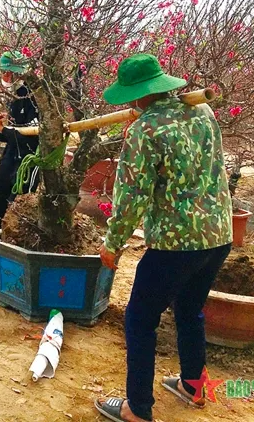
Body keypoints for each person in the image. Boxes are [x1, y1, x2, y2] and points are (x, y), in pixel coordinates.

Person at [94, 54, 233, 422]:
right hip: (218, 235)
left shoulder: (146, 130)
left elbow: (130, 199)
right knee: (189, 309)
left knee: (140, 320)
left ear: (136, 94)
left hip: (176, 244)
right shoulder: (203, 112)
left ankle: (137, 408)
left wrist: (112, 245)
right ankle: (193, 385)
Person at [0, 51, 41, 236]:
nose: (3, 77)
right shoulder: (15, 96)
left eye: (5, 72)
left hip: (28, 160)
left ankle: (14, 246)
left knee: (16, 207)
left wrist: (2, 129)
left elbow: (32, 137)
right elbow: (14, 133)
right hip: (10, 157)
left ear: (15, 73)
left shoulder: (33, 98)